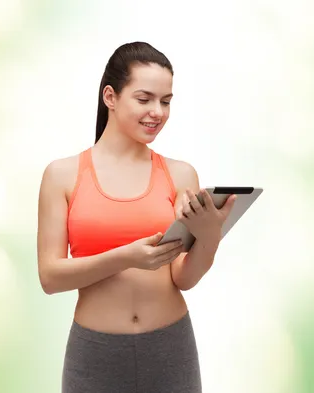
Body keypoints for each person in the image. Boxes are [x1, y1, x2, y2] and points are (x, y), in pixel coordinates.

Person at [36, 42, 236, 393]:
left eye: (166, 101)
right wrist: (126, 257)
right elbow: (50, 277)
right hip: (95, 354)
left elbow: (183, 278)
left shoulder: (181, 174)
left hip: (171, 348)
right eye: (144, 99)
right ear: (110, 97)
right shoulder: (62, 175)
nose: (157, 112)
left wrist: (210, 238)